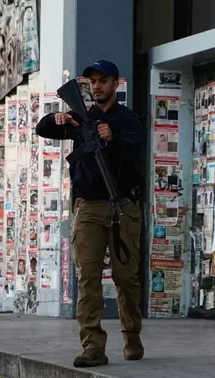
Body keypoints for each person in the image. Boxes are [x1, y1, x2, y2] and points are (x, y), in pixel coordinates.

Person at [35, 60, 145, 368]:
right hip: (88, 207)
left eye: (103, 80)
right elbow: (43, 128)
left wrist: (114, 138)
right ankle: (93, 346)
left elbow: (137, 146)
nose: (97, 85)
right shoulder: (81, 117)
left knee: (126, 278)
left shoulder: (127, 119)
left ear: (115, 84)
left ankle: (131, 335)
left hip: (122, 205)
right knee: (88, 279)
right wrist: (55, 118)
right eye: (92, 81)